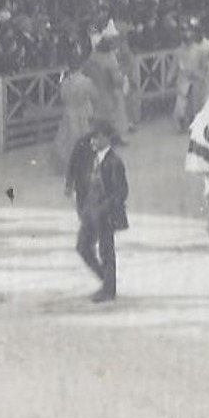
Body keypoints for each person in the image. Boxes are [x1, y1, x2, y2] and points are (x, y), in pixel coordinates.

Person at [67, 121, 128, 302]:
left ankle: (109, 290)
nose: (92, 140)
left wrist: (105, 208)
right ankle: (106, 279)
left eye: (97, 137)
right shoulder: (91, 159)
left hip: (105, 214)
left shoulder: (115, 162)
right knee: (82, 247)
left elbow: (121, 191)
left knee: (106, 251)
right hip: (89, 211)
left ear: (106, 139)